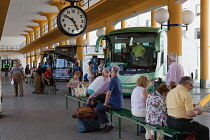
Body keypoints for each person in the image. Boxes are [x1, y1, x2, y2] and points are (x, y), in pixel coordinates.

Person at [95, 65, 123, 132]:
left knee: (98, 109)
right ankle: (107, 123)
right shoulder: (118, 80)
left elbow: (108, 93)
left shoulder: (112, 80)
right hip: (118, 102)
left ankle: (108, 124)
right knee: (99, 106)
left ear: (111, 72)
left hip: (114, 103)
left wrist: (105, 103)